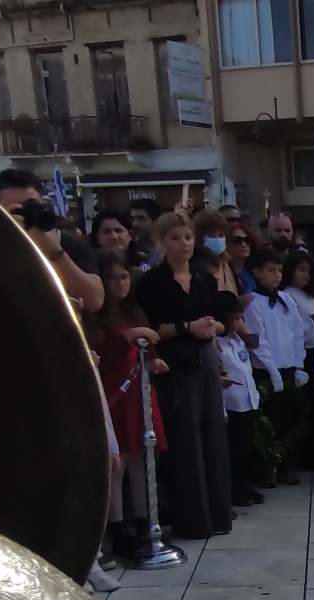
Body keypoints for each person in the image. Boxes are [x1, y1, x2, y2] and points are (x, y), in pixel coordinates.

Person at [135, 210, 232, 539]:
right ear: (162, 242)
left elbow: (223, 322)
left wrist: (210, 327)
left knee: (213, 433)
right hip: (175, 362)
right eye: (175, 238)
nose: (184, 244)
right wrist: (187, 327)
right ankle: (192, 519)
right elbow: (153, 327)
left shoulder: (204, 278)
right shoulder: (152, 282)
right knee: (185, 438)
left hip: (205, 358)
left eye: (188, 237)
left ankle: (218, 513)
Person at [86, 254, 167, 558]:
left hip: (138, 391)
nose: (120, 284)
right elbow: (102, 351)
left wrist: (154, 359)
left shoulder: (135, 311)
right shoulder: (95, 316)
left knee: (140, 460)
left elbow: (150, 346)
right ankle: (117, 527)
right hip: (113, 392)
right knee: (116, 464)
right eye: (113, 278)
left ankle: (145, 521)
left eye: (124, 277)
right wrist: (128, 337)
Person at [0, 168, 103, 313]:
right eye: (15, 209)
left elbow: (94, 300)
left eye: (29, 205)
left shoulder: (71, 245)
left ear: (43, 203)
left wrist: (52, 249)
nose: (24, 213)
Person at [243, 248, 309, 485]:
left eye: (280, 270)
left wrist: (299, 365)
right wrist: (272, 372)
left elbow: (297, 333)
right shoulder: (253, 303)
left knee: (287, 419)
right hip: (266, 370)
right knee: (267, 421)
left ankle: (285, 466)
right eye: (271, 270)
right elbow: (258, 341)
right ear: (257, 272)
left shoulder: (287, 300)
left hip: (288, 367)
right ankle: (266, 468)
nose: (277, 275)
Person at [212, 291, 264, 507]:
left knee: (245, 448)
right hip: (231, 404)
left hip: (247, 400)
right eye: (234, 318)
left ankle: (244, 484)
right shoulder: (217, 344)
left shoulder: (238, 341)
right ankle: (233, 489)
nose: (239, 322)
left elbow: (254, 344)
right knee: (233, 450)